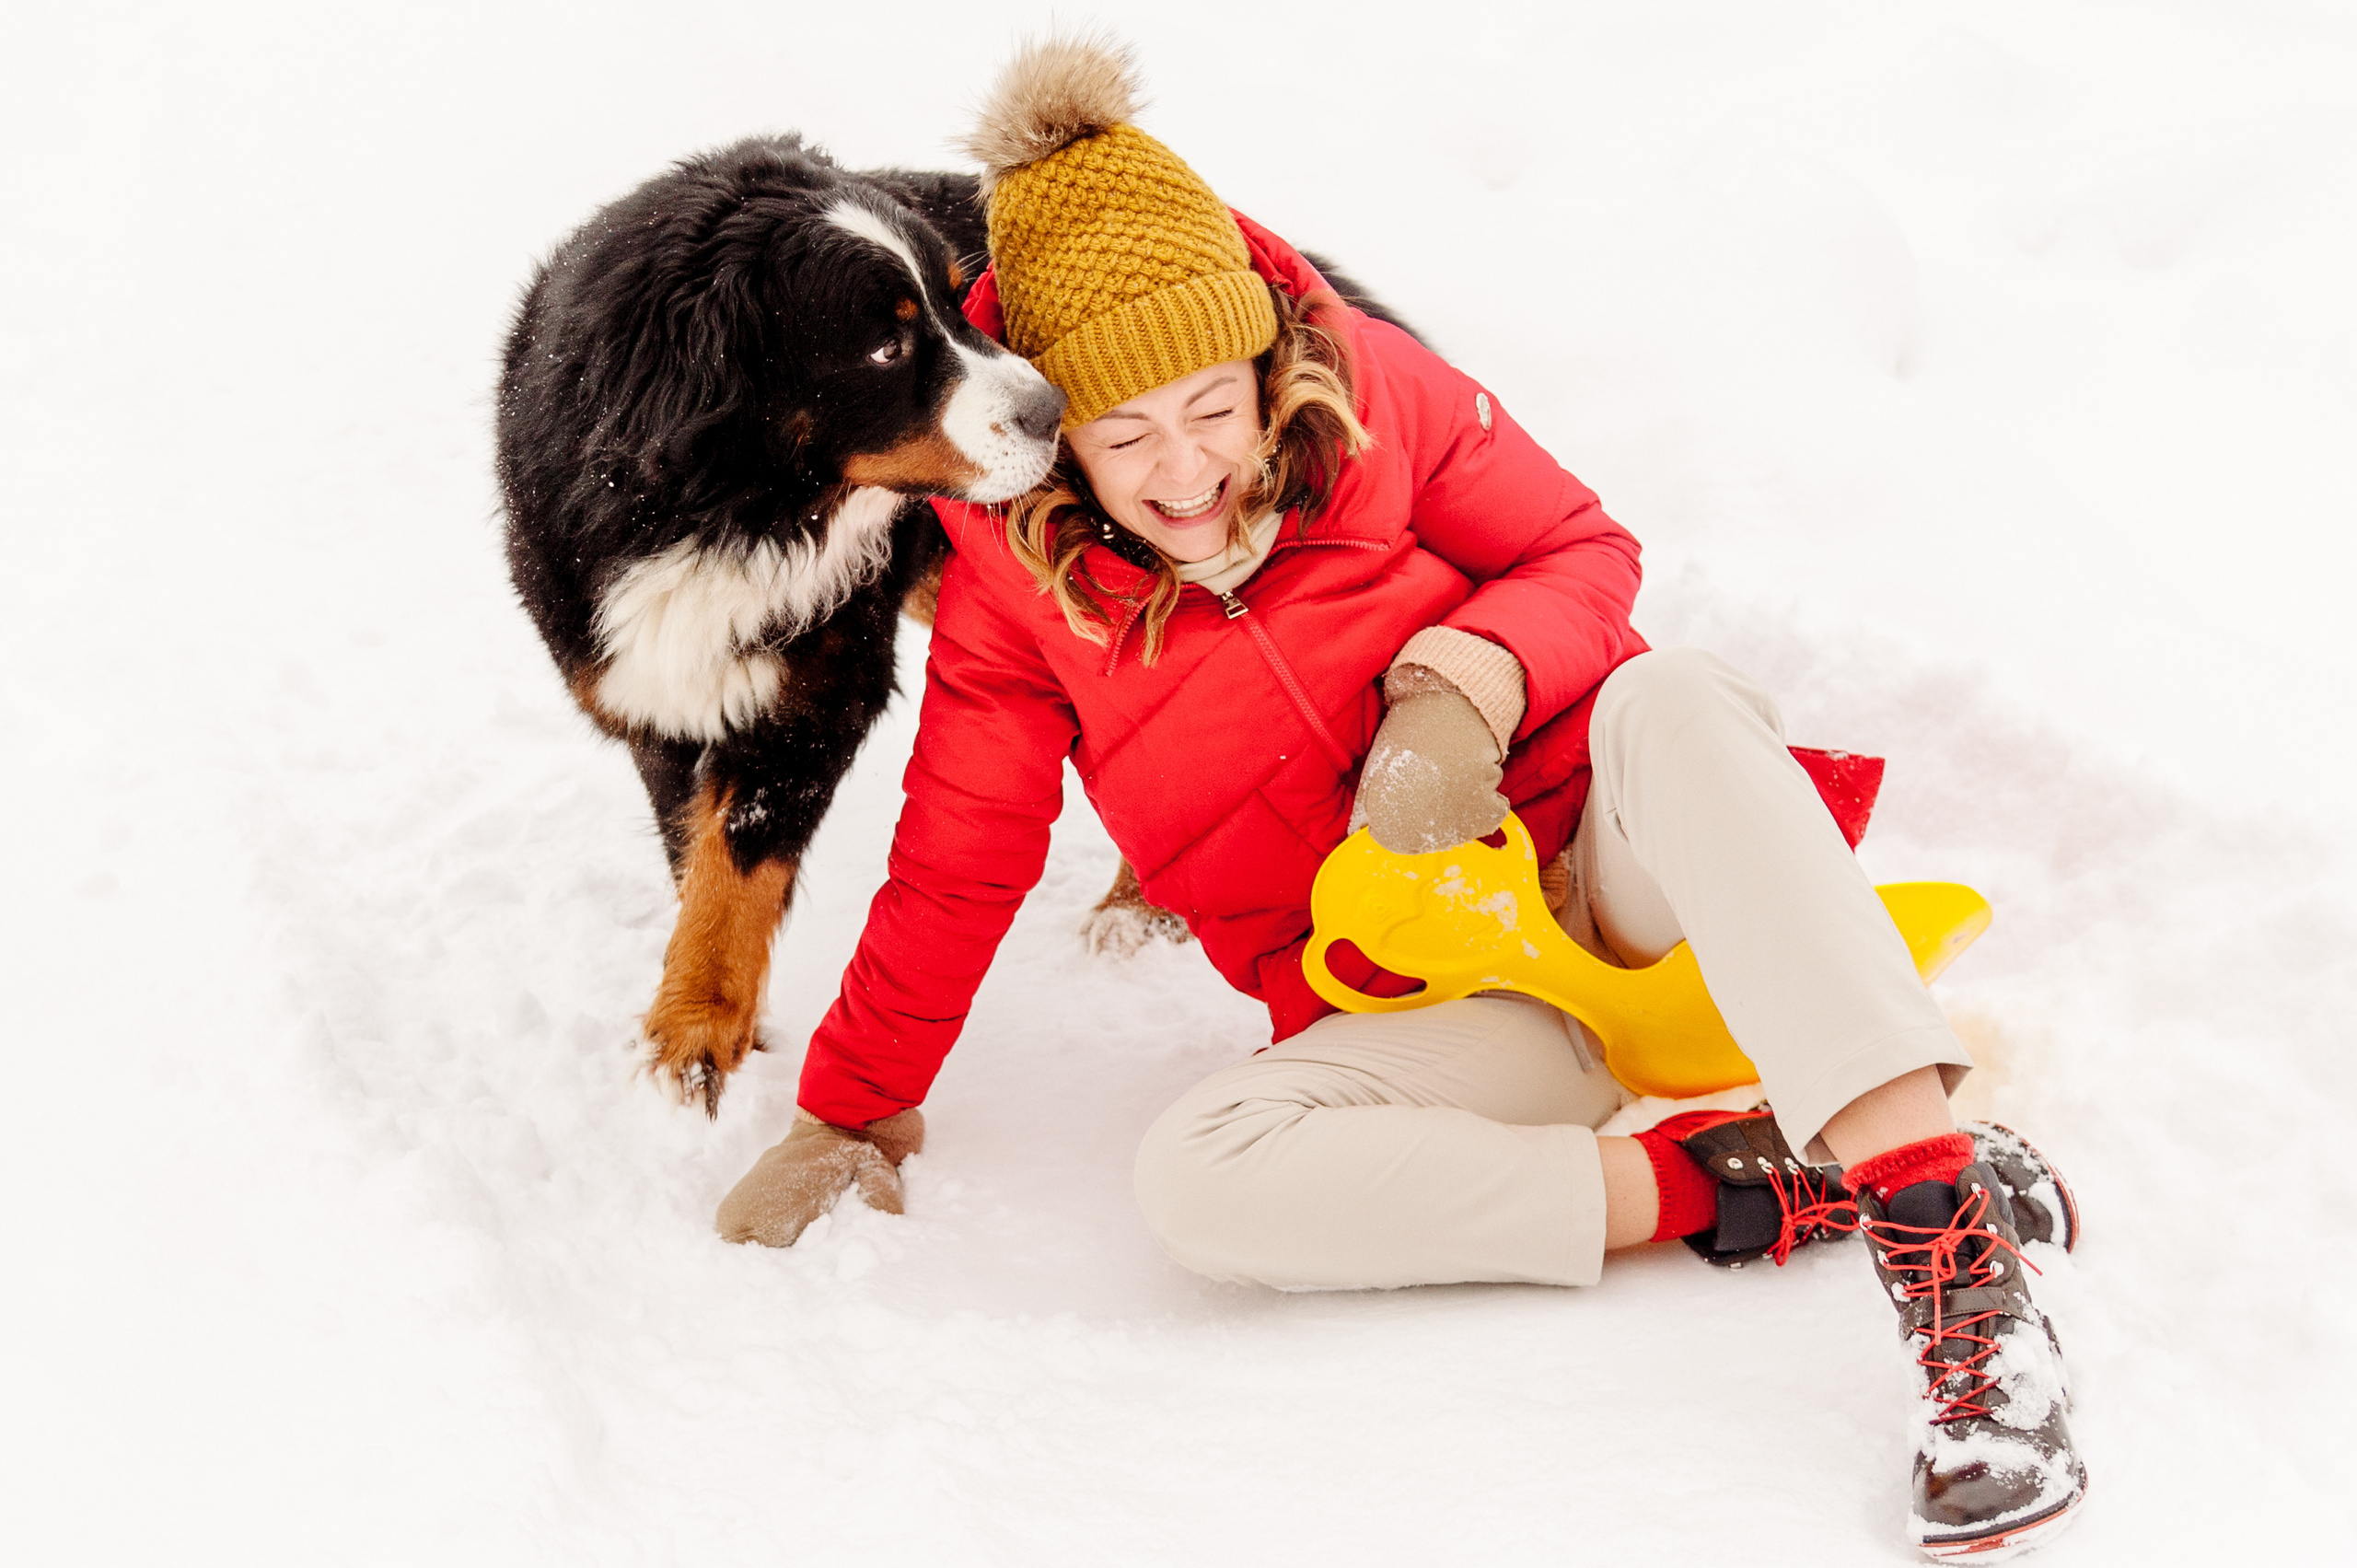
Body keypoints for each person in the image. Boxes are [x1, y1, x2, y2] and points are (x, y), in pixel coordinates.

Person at [714, 36, 2087, 1562]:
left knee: (1680, 696)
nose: (1185, 472)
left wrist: (1464, 688)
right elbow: (958, 861)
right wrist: (851, 1109)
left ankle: (1952, 1260)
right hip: (1428, 998)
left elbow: (1584, 551)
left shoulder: (1374, 396)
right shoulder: (1015, 594)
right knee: (1202, 1182)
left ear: (1263, 368)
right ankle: (1743, 1187)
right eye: (1124, 435)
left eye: (1211, 407)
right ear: (1056, 439)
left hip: (1605, 866)